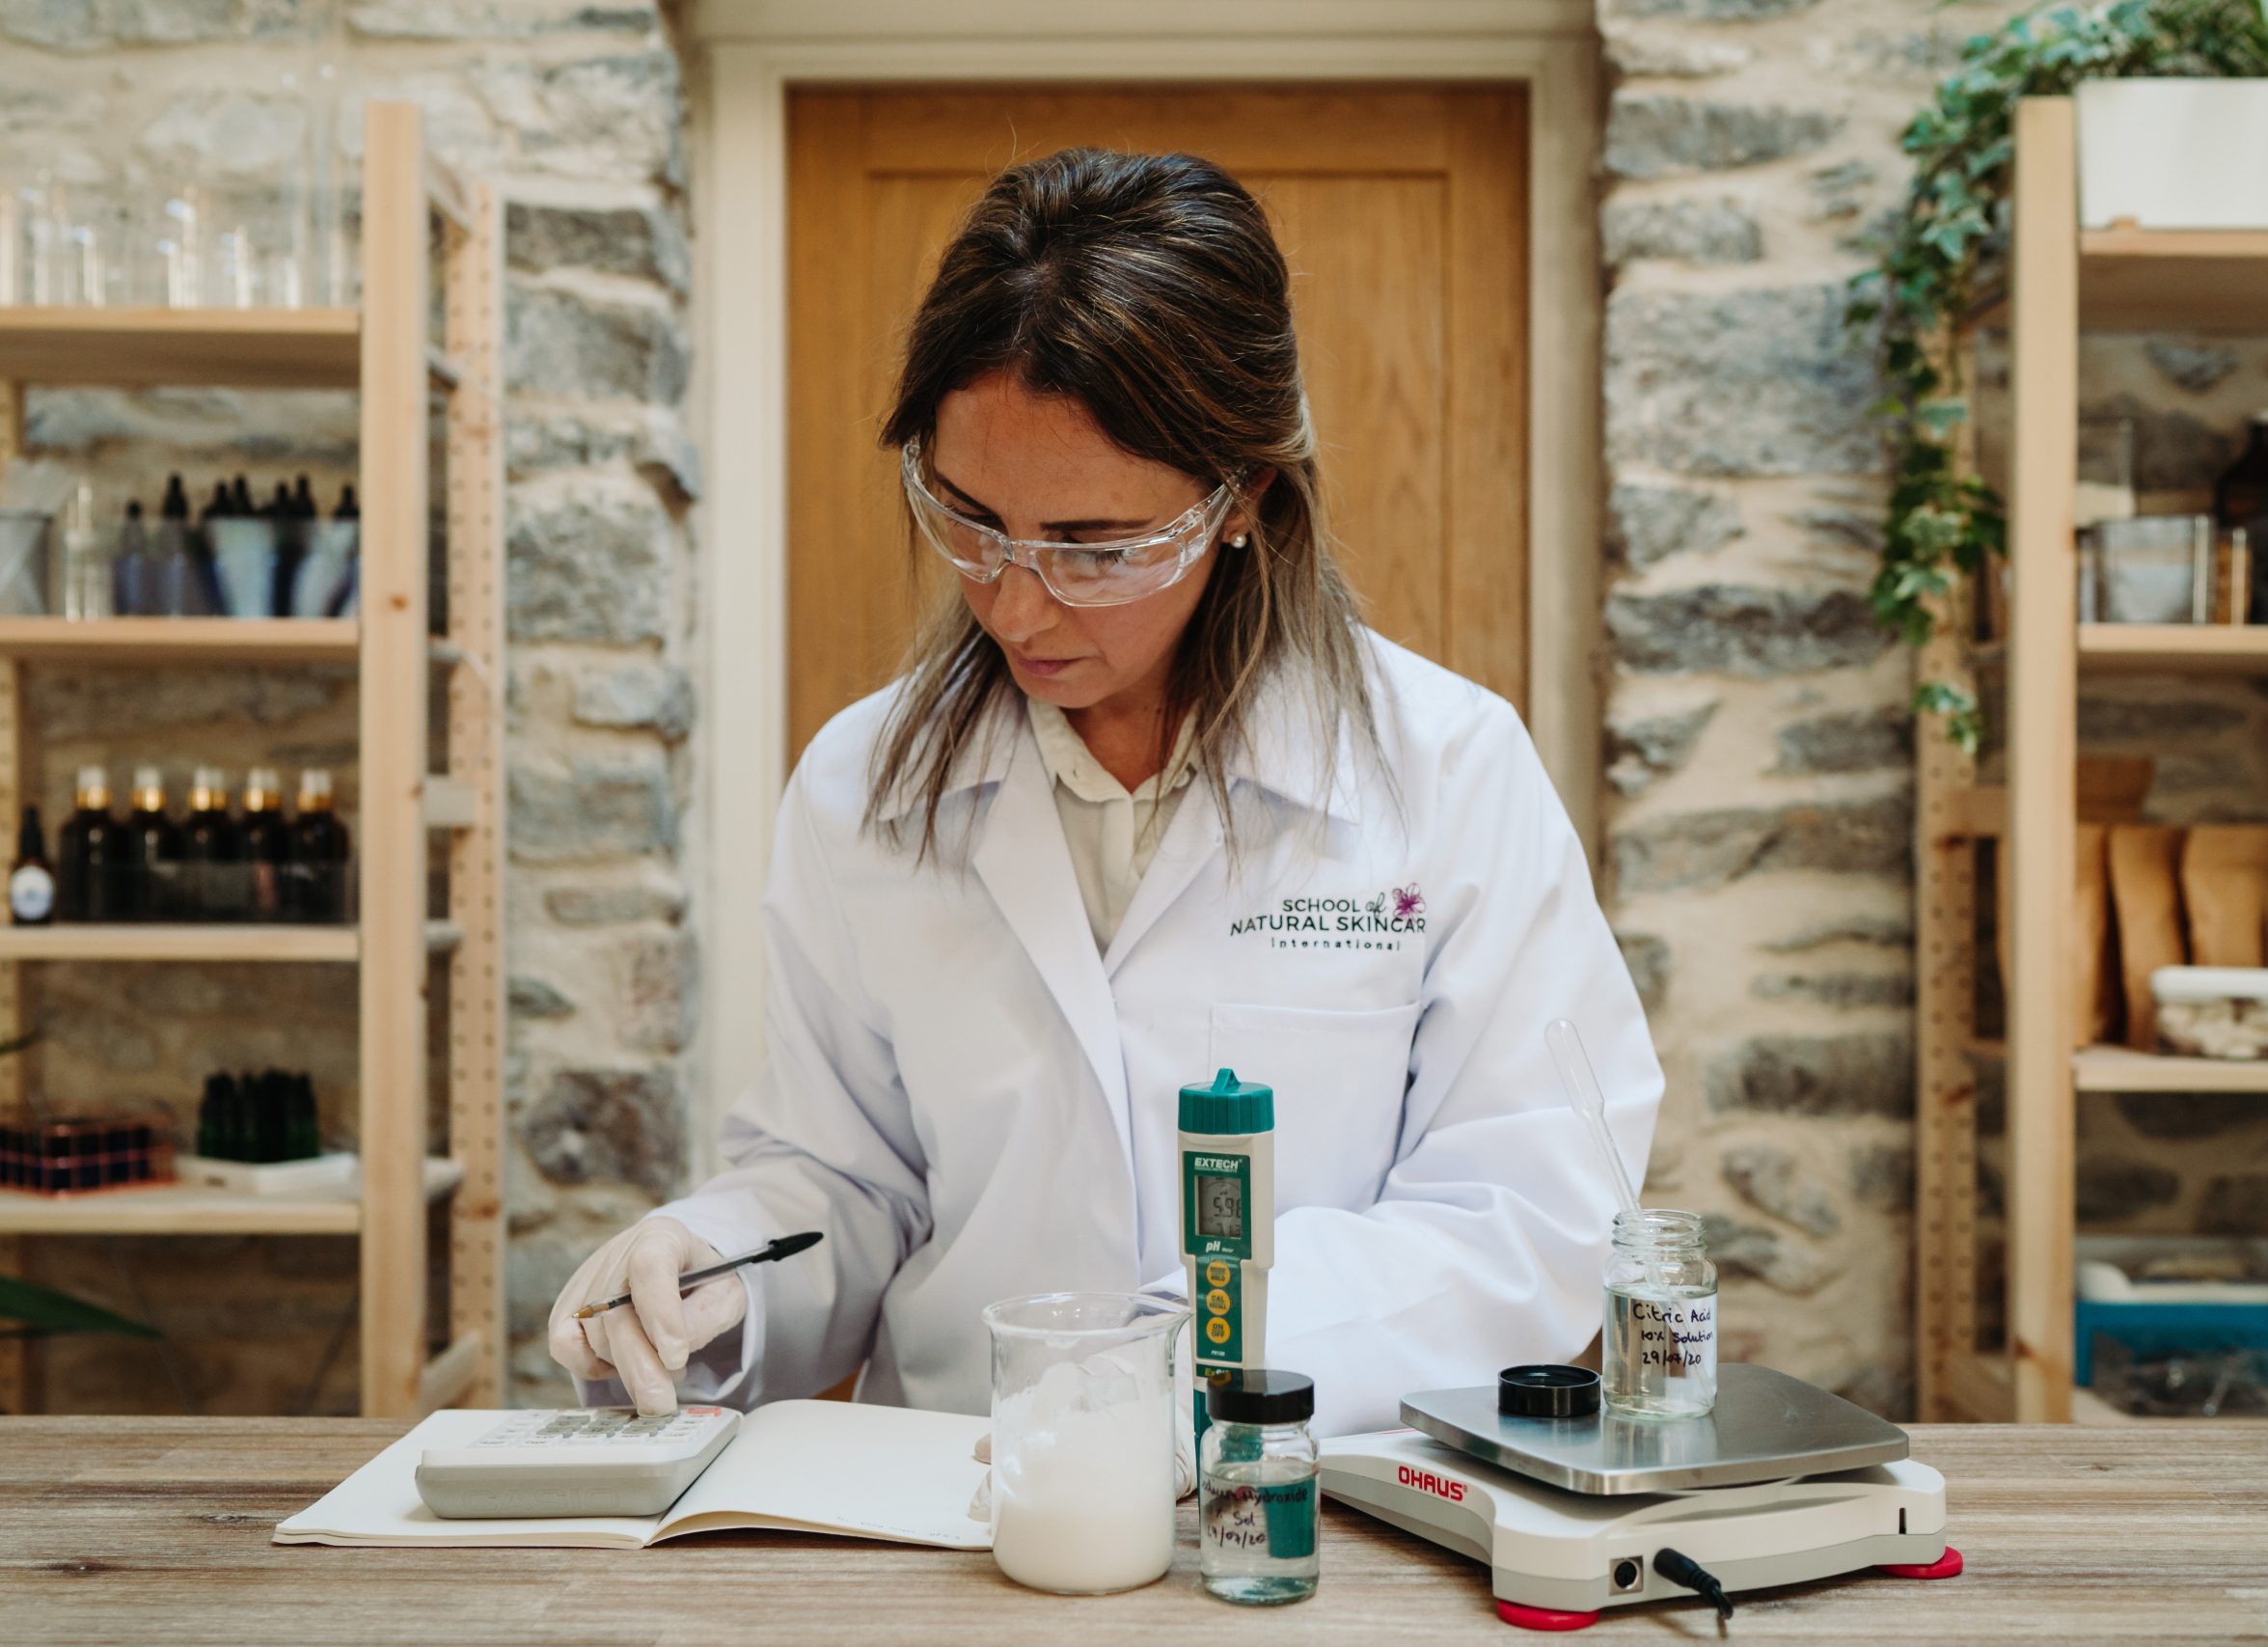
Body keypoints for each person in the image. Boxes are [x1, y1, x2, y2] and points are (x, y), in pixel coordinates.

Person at [550, 147, 1662, 1439]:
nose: (1015, 604)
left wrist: (1192, 1358)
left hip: (1306, 1504)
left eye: (1095, 547)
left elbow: (1527, 1214)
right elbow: (845, 1177)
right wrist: (712, 1269)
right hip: (959, 1507)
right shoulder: (861, 787)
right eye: (968, 518)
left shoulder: (1449, 772)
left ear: (1242, 495)